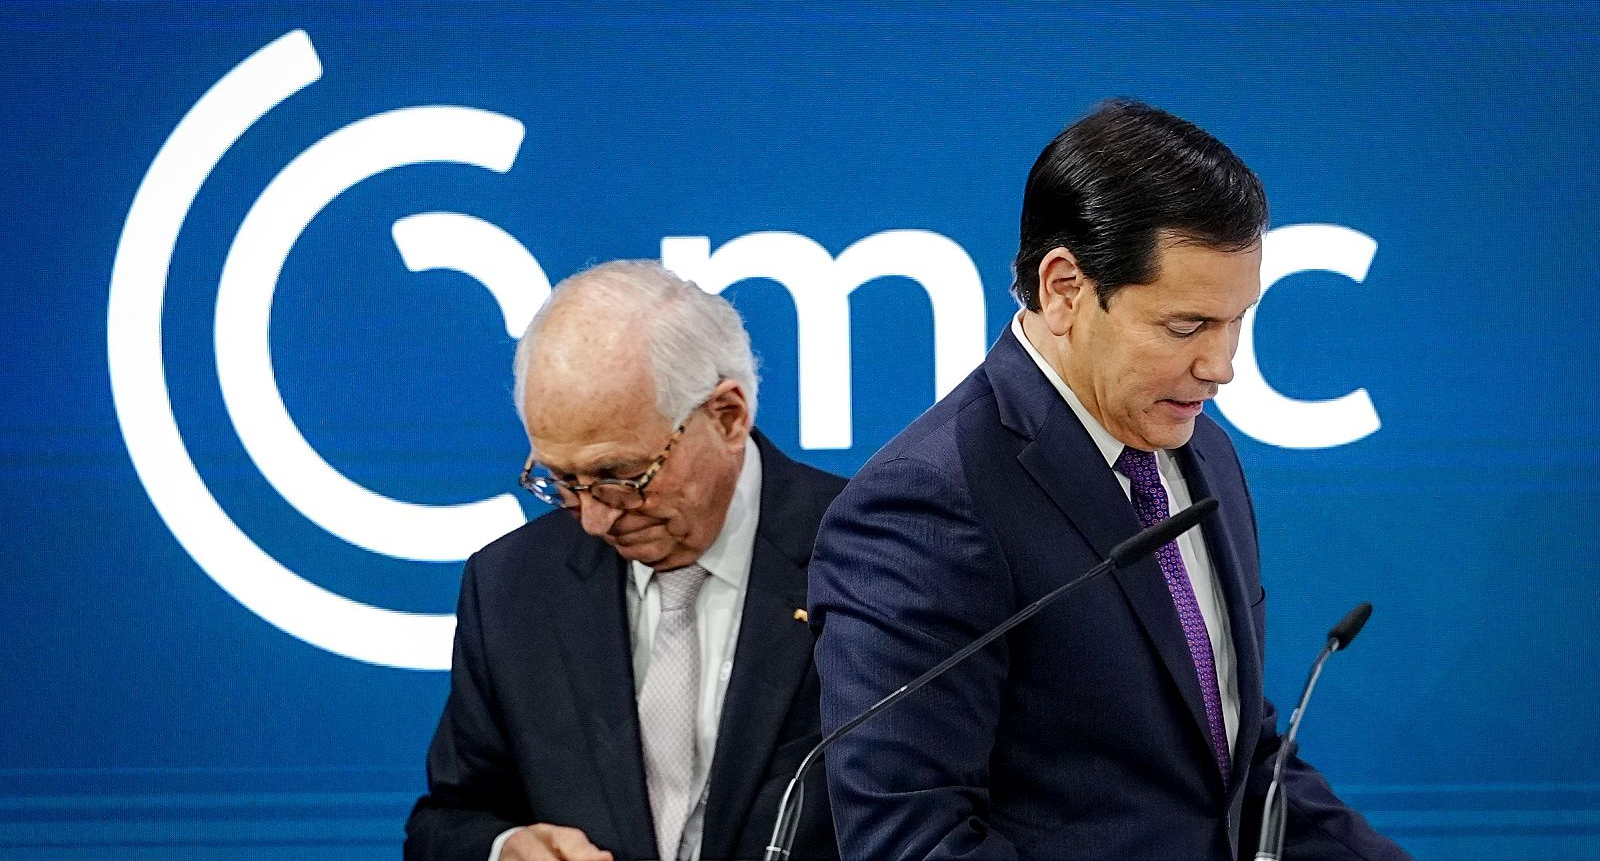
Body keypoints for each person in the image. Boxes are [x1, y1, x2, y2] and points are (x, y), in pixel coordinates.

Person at [809, 100, 1409, 860]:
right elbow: (912, 838)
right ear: (1064, 289)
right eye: (1186, 327)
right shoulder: (926, 502)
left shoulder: (1204, 454)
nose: (1221, 367)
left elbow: (1234, 761)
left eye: (1237, 322)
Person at [406, 261, 843, 861]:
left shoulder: (871, 555)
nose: (594, 520)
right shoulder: (512, 586)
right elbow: (447, 822)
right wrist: (505, 848)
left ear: (727, 416)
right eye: (561, 481)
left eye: (620, 476)